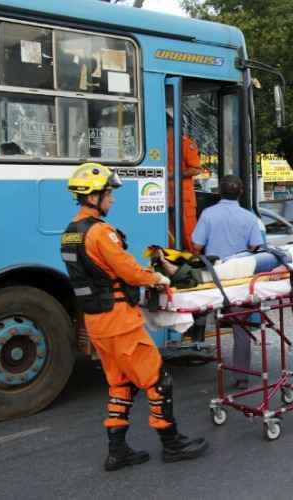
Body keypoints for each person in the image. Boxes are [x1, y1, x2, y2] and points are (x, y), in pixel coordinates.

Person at [60, 163, 208, 472]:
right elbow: (127, 269)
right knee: (158, 381)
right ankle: (172, 444)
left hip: (96, 322)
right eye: (109, 194)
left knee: (121, 384)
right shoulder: (100, 233)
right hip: (118, 321)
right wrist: (158, 278)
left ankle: (118, 451)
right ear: (93, 196)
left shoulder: (71, 234)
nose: (112, 199)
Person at [191, 175, 264, 389]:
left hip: (215, 279)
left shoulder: (207, 214)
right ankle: (241, 376)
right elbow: (256, 247)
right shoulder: (249, 217)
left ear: (219, 192)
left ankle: (197, 337)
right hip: (240, 280)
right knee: (240, 329)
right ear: (241, 192)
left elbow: (196, 245)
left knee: (201, 305)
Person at [167, 116, 202, 251]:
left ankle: (194, 261)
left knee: (188, 233)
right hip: (166, 195)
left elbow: (196, 169)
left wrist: (172, 175)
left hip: (182, 197)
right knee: (169, 233)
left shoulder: (185, 143)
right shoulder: (158, 144)